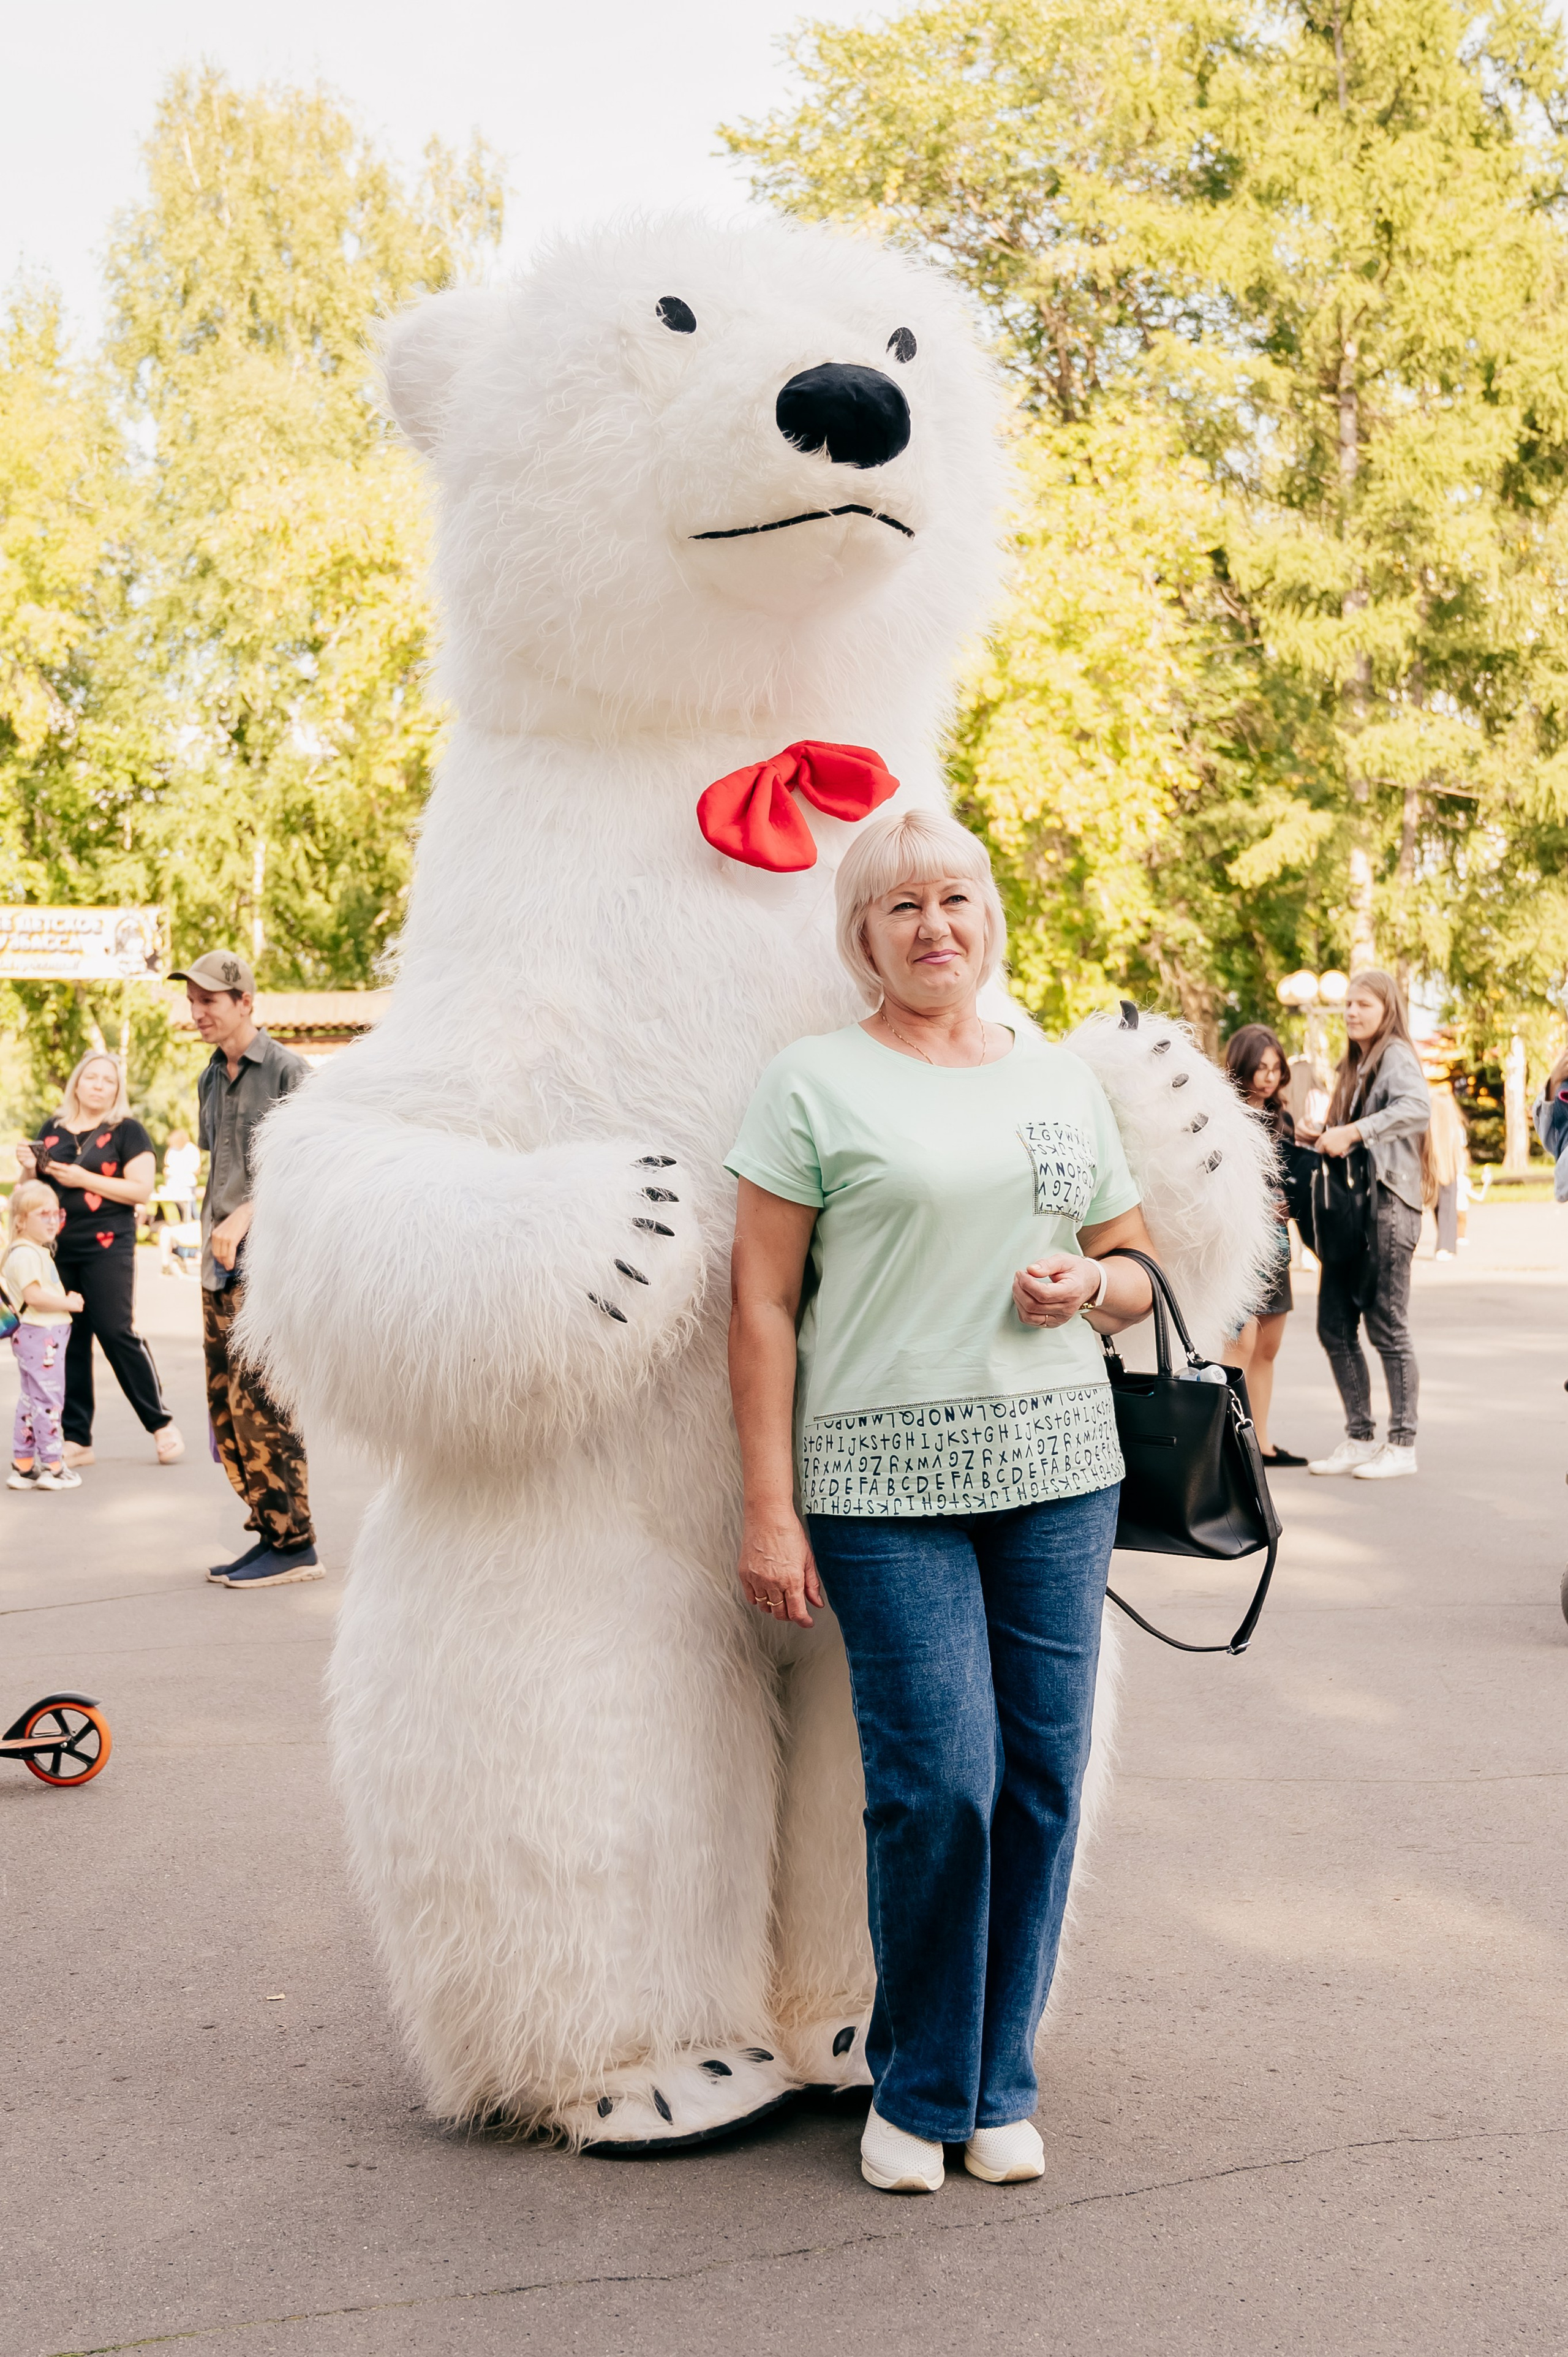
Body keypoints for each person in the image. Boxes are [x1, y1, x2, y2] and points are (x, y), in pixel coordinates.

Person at [725, 805, 1156, 2196]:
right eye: (901, 904)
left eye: (955, 898)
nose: (933, 926)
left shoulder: (1056, 1079)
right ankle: (917, 2085)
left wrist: (1090, 1283)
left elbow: (1133, 1262)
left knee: (1040, 1778)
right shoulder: (811, 1081)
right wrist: (770, 1505)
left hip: (1059, 1472)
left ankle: (994, 2079)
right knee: (941, 1785)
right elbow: (760, 1301)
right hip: (879, 1482)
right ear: (863, 934)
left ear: (988, 917)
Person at [173, 948, 320, 1588]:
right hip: (218, 1270)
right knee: (227, 1409)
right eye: (192, 1001)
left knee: (263, 1406)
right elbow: (220, 1170)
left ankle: (295, 1543)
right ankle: (267, 1531)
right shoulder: (210, 1076)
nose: (197, 1012)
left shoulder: (290, 1072)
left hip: (267, 1267)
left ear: (245, 1002)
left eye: (208, 1000)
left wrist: (244, 1218)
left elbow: (311, 1169)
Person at [14, 1050, 183, 1469]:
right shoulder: (52, 1130)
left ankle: (160, 1423)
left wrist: (82, 1178)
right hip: (57, 1247)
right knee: (68, 1337)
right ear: (77, 1083)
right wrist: (28, 1169)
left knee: (115, 1330)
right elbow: (30, 1191)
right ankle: (77, 1438)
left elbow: (141, 1190)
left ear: (117, 1090)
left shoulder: (128, 1131)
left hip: (109, 1243)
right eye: (91, 1077)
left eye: (108, 1080)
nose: (99, 1086)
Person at [1298, 969, 1431, 1480]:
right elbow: (1351, 1139)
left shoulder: (1395, 1054)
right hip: (1352, 1213)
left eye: (1364, 1005)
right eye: (1349, 1004)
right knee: (1334, 1325)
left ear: (1387, 1009)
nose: (1352, 1012)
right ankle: (1360, 1437)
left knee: (1387, 1325)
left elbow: (1417, 1108)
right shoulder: (1356, 1062)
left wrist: (1353, 1131)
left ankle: (1402, 1444)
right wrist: (1323, 1134)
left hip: (1388, 1207)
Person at [1221, 1024, 1306, 1468]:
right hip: (1240, 1247)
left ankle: (1263, 1445)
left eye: (1276, 1068)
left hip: (1276, 1246)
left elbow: (1290, 1178)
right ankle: (1230, 1446)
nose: (1269, 1077)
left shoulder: (1282, 1120)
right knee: (1239, 1345)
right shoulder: (1223, 1117)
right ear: (1242, 1067)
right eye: (1261, 1068)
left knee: (1268, 1348)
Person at [4, 1179, 84, 1491]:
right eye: (43, 1214)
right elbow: (34, 1296)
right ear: (21, 1221)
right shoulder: (26, 1254)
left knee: (31, 1400)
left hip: (36, 1335)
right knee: (49, 1400)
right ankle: (53, 1466)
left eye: (57, 1214)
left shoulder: (30, 1251)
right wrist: (68, 1303)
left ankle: (24, 1466)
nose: (53, 1221)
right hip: (41, 1335)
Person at [1427, 1084, 1469, 1259]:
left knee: (1439, 1206)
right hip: (1450, 1170)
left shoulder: (1430, 1128)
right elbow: (1461, 1151)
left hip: (1436, 1170)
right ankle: (1446, 1245)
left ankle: (1444, 1244)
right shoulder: (1455, 1128)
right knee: (1448, 1206)